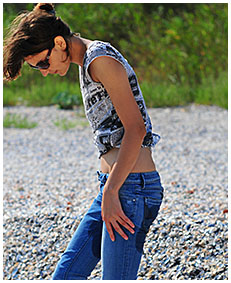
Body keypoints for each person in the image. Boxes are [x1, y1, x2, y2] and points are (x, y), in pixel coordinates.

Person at [4, 3, 164, 280]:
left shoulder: (99, 58)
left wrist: (113, 192)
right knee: (65, 277)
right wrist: (110, 190)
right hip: (114, 187)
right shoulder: (87, 63)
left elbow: (136, 129)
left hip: (131, 190)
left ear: (59, 43)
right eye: (37, 68)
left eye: (43, 62)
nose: (44, 71)